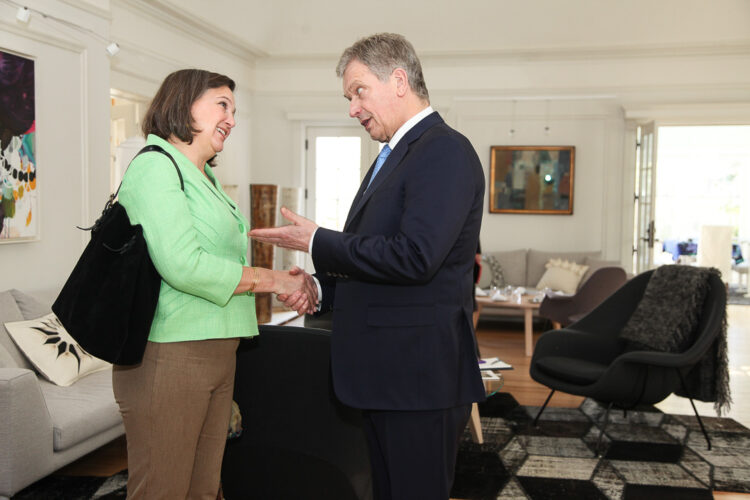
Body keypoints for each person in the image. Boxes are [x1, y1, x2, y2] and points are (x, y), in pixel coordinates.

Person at [251, 34, 485, 499]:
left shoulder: (443, 150)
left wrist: (317, 240)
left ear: (399, 80)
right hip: (389, 376)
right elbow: (378, 263)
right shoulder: (396, 155)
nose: (353, 108)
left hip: (418, 380)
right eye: (348, 97)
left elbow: (415, 257)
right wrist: (319, 287)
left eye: (359, 91)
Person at [112, 69, 316, 499]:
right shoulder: (155, 166)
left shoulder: (202, 176)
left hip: (217, 350)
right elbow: (183, 265)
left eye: (234, 110)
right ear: (183, 104)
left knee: (204, 488)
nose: (232, 119)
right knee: (163, 490)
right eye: (223, 105)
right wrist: (275, 279)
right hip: (170, 355)